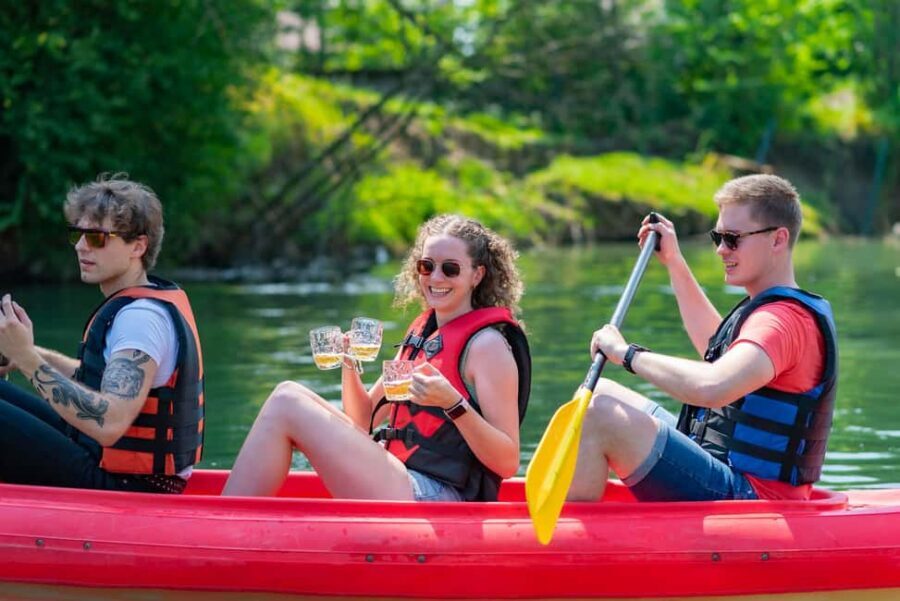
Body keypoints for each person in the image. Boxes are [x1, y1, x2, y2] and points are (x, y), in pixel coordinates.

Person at [223, 214, 531, 501]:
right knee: (287, 392)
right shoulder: (424, 335)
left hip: (440, 495)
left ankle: (225, 518)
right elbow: (363, 420)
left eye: (450, 269)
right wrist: (349, 363)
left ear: (477, 275)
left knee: (286, 403)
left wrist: (452, 403)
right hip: (402, 476)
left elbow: (507, 462)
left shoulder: (487, 346)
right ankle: (230, 515)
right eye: (426, 266)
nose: (436, 277)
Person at [568, 174, 837, 502]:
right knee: (600, 392)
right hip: (724, 469)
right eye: (717, 237)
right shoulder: (766, 311)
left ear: (778, 240)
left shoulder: (781, 322)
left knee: (600, 416)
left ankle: (575, 529)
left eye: (733, 239)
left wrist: (627, 354)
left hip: (755, 498)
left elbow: (712, 386)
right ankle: (595, 504)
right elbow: (717, 352)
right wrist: (674, 262)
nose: (721, 250)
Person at [0, 175, 204, 493]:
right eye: (77, 234)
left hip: (128, 486)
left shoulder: (141, 319)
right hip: (109, 464)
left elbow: (110, 423)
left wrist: (27, 359)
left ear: (138, 246)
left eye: (97, 238)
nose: (81, 246)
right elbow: (98, 380)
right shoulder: (139, 305)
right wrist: (23, 353)